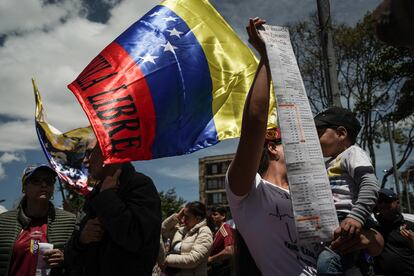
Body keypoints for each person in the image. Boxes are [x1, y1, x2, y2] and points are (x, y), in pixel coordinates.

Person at [226, 18, 384, 276]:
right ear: (272, 149)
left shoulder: (319, 188)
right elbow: (255, 123)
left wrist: (366, 238)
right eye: (289, 140)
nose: (306, 141)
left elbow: (377, 244)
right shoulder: (248, 191)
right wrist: (267, 58)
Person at [64, 139, 161, 276]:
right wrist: (81, 239)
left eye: (90, 153)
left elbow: (136, 239)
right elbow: (70, 257)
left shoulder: (140, 185)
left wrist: (107, 197)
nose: (85, 161)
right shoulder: (94, 195)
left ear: (107, 151)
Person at [314, 107, 380, 275]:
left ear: (341, 133)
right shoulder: (327, 163)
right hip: (335, 224)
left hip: (350, 221)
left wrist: (356, 217)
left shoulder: (353, 153)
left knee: (326, 264)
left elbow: (370, 185)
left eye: (318, 133)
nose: (313, 139)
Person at [0, 164, 76, 276]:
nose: (44, 185)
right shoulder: (3, 222)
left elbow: (83, 259)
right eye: (36, 181)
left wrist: (66, 258)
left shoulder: (70, 221)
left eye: (49, 181)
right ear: (24, 187)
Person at [161, 201, 213, 276]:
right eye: (183, 215)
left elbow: (193, 260)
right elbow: (162, 230)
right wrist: (177, 216)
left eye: (187, 216)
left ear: (197, 218)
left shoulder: (204, 232)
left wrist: (165, 259)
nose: (183, 219)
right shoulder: (182, 230)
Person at [373, 188, 414, 276]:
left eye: (387, 200)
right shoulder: (373, 226)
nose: (383, 204)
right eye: (379, 201)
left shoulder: (410, 223)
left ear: (397, 203)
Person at [208, 206, 234, 276]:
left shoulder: (225, 229)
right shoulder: (218, 230)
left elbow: (229, 251)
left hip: (223, 270)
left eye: (215, 214)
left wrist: (211, 259)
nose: (212, 217)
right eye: (211, 215)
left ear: (223, 216)